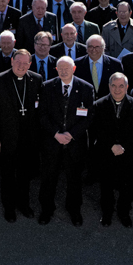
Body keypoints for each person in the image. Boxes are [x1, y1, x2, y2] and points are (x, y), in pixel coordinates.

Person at [37, 56, 94, 226]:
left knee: (74, 179)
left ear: (74, 69)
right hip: (52, 142)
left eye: (66, 68)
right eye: (59, 68)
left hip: (74, 143)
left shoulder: (85, 88)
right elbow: (42, 115)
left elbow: (89, 116)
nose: (63, 71)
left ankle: (74, 210)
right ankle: (47, 210)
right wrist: (56, 134)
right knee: (48, 179)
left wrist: (71, 134)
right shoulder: (47, 87)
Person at [0, 49, 44, 222]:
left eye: (25, 63)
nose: (21, 66)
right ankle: (9, 207)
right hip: (7, 138)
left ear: (30, 64)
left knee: (25, 174)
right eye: (18, 62)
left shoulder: (36, 79)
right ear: (12, 61)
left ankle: (23, 204)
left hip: (29, 137)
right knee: (8, 175)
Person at [91, 72, 133, 227]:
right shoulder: (99, 105)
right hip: (106, 153)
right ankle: (107, 213)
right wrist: (111, 145)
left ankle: (124, 212)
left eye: (121, 86)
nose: (117, 89)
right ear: (109, 86)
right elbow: (96, 130)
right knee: (106, 187)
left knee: (127, 188)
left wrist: (123, 147)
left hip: (128, 154)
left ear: (127, 87)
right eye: (113, 86)